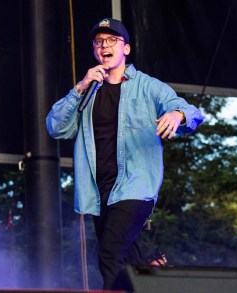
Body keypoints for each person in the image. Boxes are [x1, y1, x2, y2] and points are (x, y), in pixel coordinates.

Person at [46, 18, 203, 290]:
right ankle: (160, 275)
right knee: (132, 262)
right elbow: (55, 127)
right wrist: (80, 87)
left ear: (126, 49)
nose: (103, 46)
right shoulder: (88, 92)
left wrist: (177, 115)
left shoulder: (147, 86)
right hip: (99, 193)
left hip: (135, 187)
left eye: (111, 41)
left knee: (110, 254)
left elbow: (191, 112)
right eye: (98, 42)